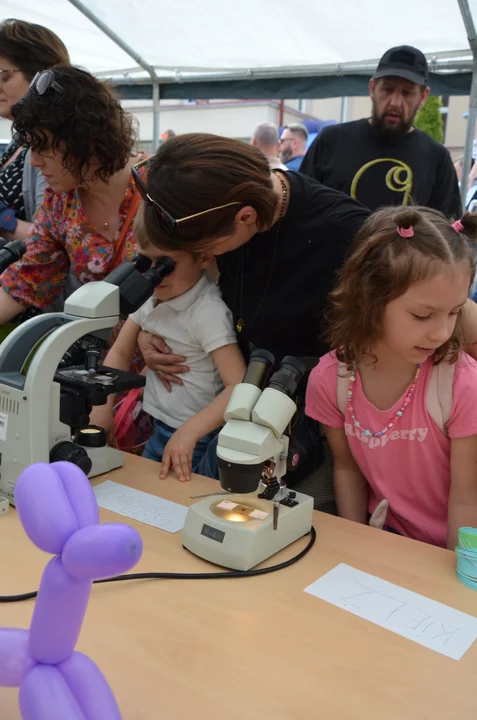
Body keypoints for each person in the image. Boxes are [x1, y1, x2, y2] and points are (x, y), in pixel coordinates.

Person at [134, 133, 370, 483]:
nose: (205, 259)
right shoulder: (222, 212)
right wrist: (148, 332)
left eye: (206, 249)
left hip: (309, 431)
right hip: (238, 414)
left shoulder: (349, 233)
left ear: (245, 217)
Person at [305, 206, 477, 549]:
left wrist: (458, 575)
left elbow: (466, 498)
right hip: (387, 542)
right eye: (422, 315)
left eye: (455, 313)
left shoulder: (462, 386)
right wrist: (354, 545)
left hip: (455, 550)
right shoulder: (329, 380)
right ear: (368, 297)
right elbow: (347, 470)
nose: (441, 332)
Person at [89, 203, 246, 481]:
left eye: (165, 265)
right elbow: (121, 351)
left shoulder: (206, 312)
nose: (153, 274)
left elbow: (238, 386)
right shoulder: (151, 294)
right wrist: (101, 407)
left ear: (204, 257)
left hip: (195, 437)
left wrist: (191, 431)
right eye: (145, 262)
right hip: (158, 426)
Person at [0, 65, 144, 323]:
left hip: (181, 352)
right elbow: (27, 280)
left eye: (42, 147)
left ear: (84, 139)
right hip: (107, 359)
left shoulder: (158, 185)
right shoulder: (59, 204)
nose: (34, 162)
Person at [300, 46, 461, 216]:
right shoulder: (330, 141)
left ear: (422, 97)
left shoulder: (437, 158)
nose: (395, 102)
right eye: (388, 90)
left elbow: (448, 232)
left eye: (407, 93)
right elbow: (300, 208)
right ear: (372, 89)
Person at [0, 18, 70, 242]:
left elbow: (54, 239)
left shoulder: (55, 142)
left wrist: (4, 220)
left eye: (4, 76)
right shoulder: (21, 139)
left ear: (41, 75)